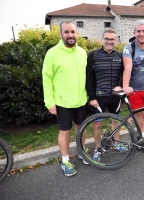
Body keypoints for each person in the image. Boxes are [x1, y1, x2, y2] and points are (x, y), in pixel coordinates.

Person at [42, 21, 88, 176]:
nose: (70, 35)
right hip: (62, 102)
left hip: (81, 99)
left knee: (81, 129)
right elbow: (46, 78)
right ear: (61, 34)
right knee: (65, 131)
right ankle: (65, 160)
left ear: (77, 34)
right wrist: (50, 102)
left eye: (73, 32)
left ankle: (82, 153)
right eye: (67, 32)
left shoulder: (82, 52)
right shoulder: (52, 53)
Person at [86, 28, 126, 162]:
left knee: (117, 120)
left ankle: (116, 142)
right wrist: (91, 97)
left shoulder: (120, 56)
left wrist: (121, 84)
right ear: (102, 40)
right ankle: (98, 147)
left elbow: (125, 73)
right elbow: (89, 78)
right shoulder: (94, 55)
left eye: (112, 39)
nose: (110, 41)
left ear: (116, 41)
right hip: (99, 96)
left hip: (115, 96)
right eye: (107, 39)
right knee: (98, 124)